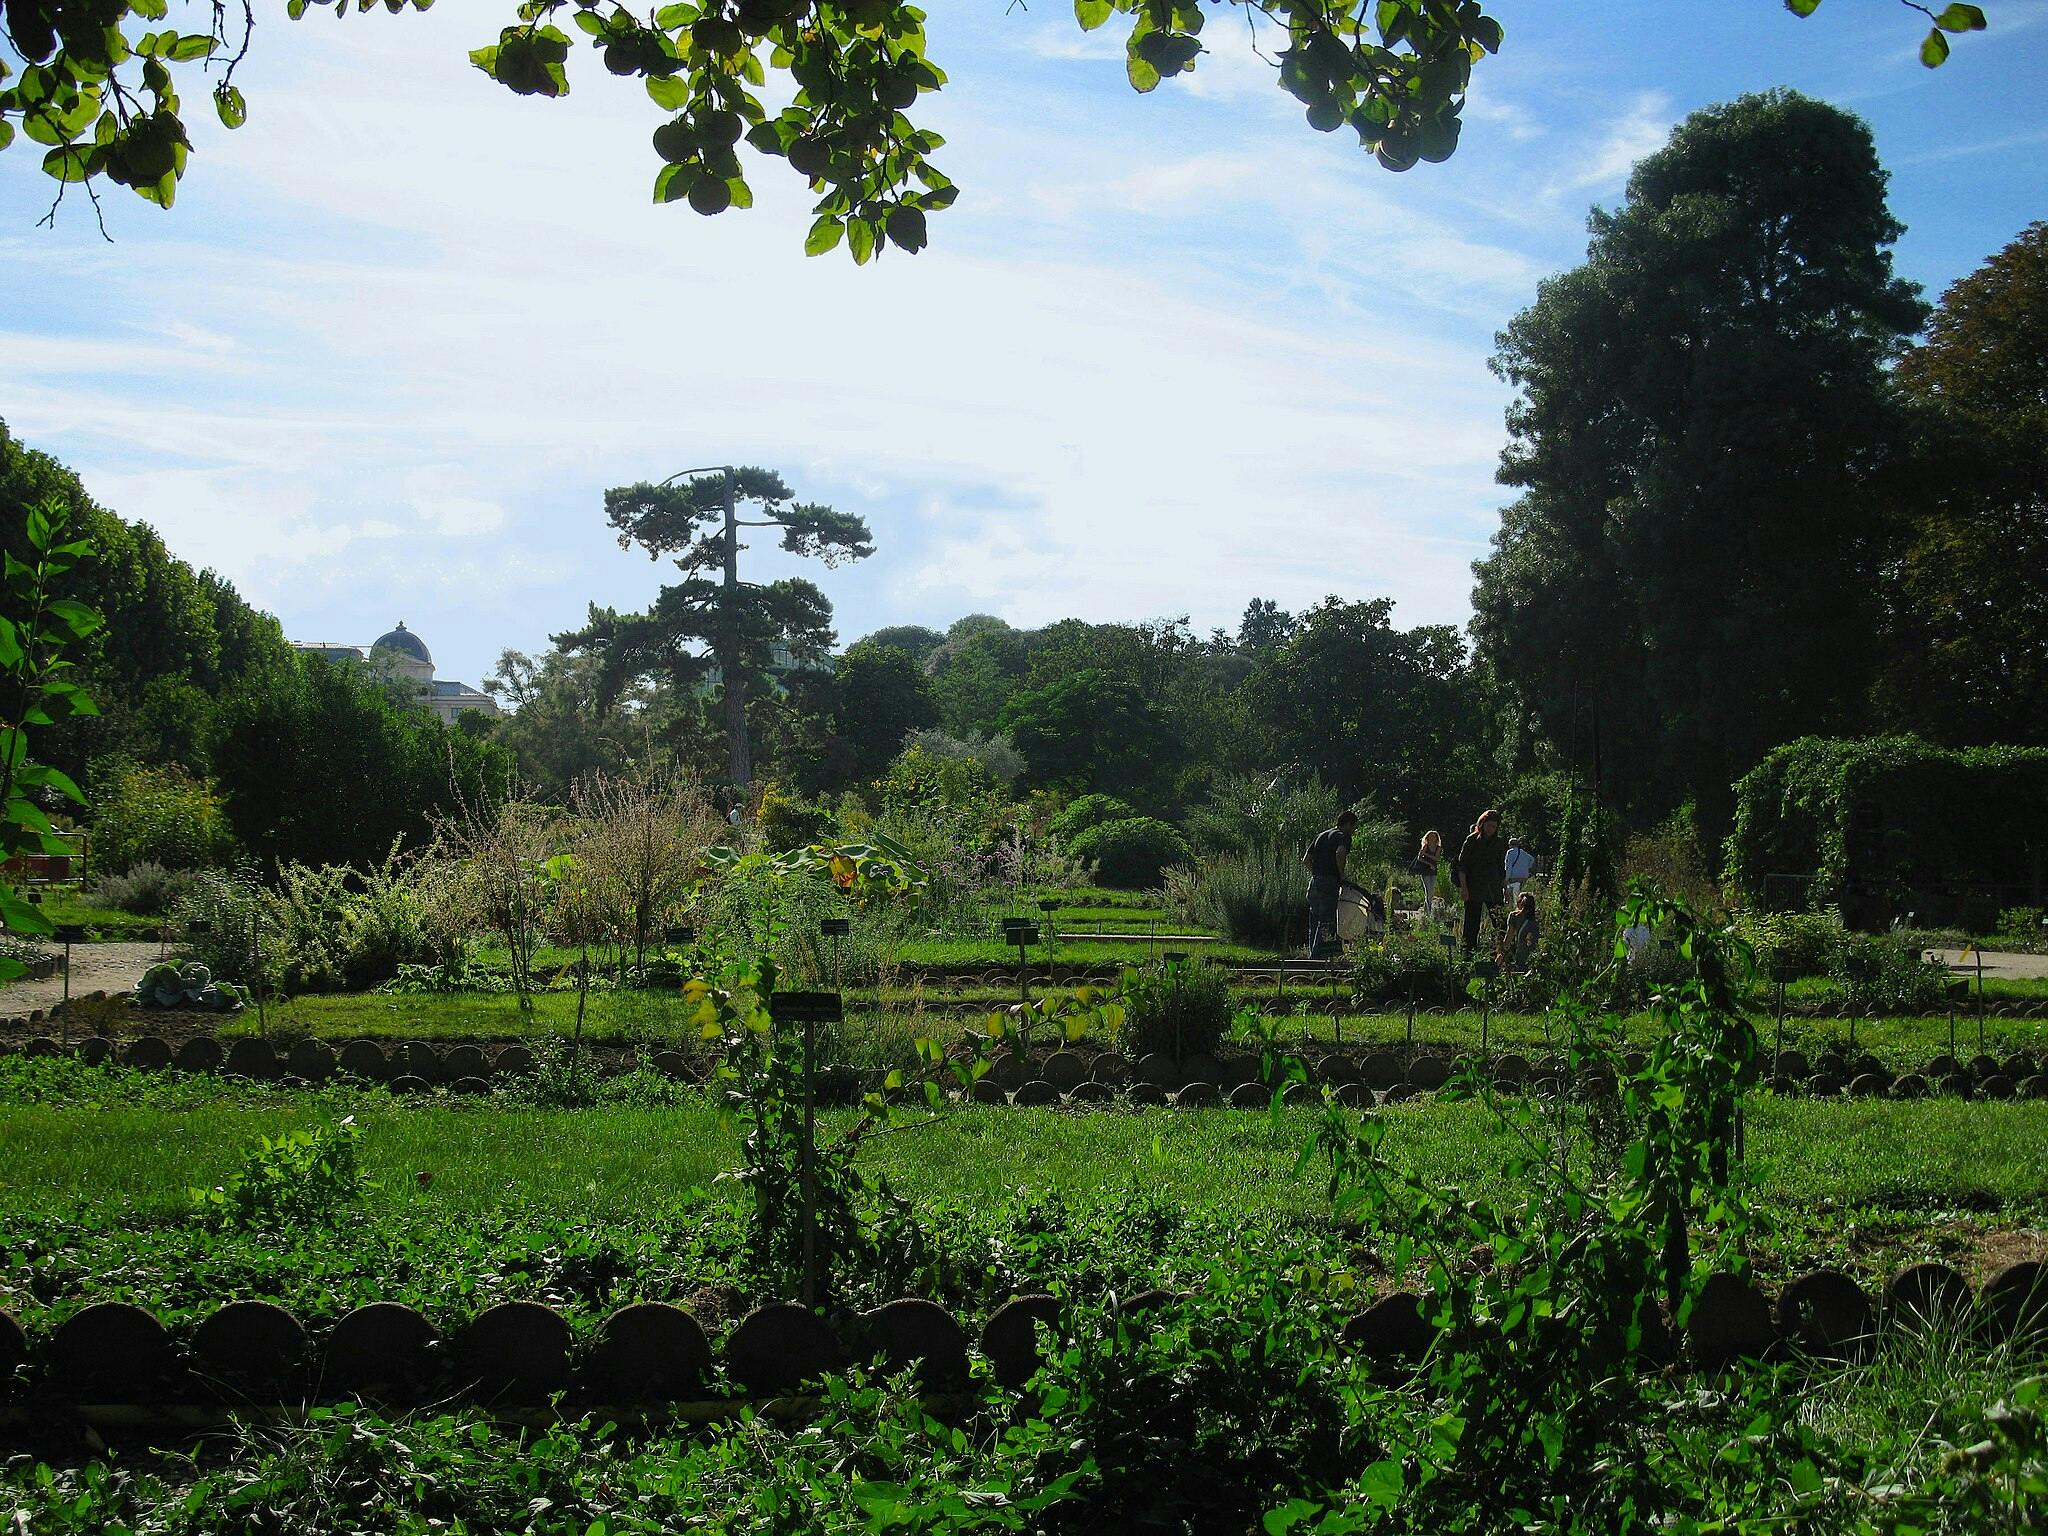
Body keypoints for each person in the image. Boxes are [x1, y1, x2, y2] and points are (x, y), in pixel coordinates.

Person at [1303, 810, 1357, 958]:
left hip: (1315, 882)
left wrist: (1317, 872)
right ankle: (1317, 958)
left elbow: (1306, 860)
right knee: (1326, 921)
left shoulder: (1320, 836)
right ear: (1347, 824)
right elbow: (1340, 854)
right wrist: (1341, 875)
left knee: (1314, 920)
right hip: (1330, 882)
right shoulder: (1343, 837)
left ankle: (1311, 956)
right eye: (1353, 827)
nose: (1353, 831)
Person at [1453, 807, 1507, 957]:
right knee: (1471, 924)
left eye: (1494, 827)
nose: (1491, 829)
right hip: (1474, 886)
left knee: (1500, 922)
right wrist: (1464, 887)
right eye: (1489, 825)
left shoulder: (1499, 843)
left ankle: (1500, 953)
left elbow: (1501, 866)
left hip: (1493, 888)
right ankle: (1467, 955)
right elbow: (1462, 865)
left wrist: (1505, 888)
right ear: (1482, 824)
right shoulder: (1472, 840)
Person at [1413, 830, 1443, 922]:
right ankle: (1428, 911)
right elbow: (1419, 858)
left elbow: (1437, 858)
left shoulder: (1438, 848)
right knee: (1428, 890)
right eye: (1430, 837)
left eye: (1434, 837)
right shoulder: (1425, 846)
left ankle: (1427, 910)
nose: (1432, 838)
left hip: (1433, 871)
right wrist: (1429, 863)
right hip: (1425, 870)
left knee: (1431, 891)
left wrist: (1426, 855)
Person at [1506, 891, 1541, 969]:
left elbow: (1509, 937)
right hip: (1537, 957)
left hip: (1521, 957)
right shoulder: (1539, 916)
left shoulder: (1514, 916)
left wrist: (1501, 953)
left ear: (1519, 903)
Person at [1504, 836, 1535, 903]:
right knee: (1522, 896)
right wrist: (1527, 867)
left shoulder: (1510, 852)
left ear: (1510, 845)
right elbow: (1532, 859)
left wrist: (1506, 878)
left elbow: (1508, 866)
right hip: (1524, 876)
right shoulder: (1523, 852)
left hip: (1514, 877)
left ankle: (1514, 908)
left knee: (1514, 897)